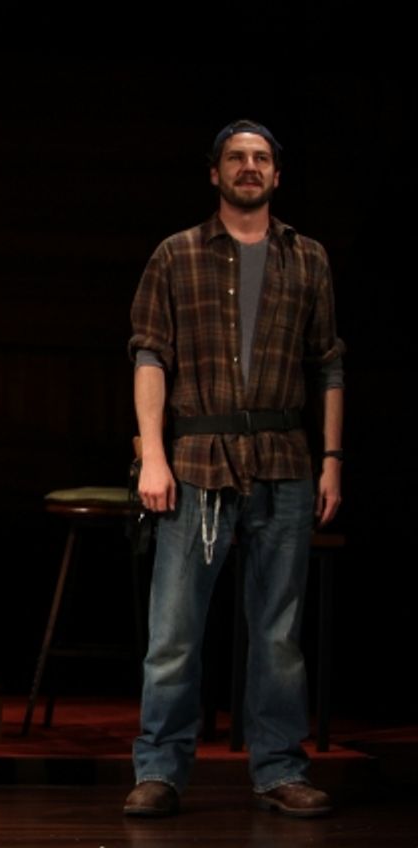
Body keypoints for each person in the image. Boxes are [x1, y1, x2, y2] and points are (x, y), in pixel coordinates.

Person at [124, 119, 344, 818]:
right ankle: (160, 771)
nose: (249, 167)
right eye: (236, 157)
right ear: (214, 172)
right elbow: (149, 354)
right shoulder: (177, 254)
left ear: (277, 175)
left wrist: (332, 460)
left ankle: (278, 768)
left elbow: (328, 363)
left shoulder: (307, 258)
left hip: (284, 460)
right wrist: (153, 456)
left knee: (278, 634)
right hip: (197, 462)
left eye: (261, 158)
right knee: (174, 633)